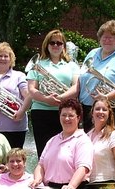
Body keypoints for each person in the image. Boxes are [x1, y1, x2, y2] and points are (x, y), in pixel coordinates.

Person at [26, 29, 81, 157]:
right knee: (44, 151)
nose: (55, 45)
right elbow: (32, 89)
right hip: (41, 112)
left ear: (64, 46)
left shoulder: (71, 65)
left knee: (65, 151)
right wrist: (46, 99)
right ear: (47, 45)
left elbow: (76, 87)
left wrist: (61, 97)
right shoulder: (38, 64)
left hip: (65, 112)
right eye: (52, 43)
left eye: (59, 43)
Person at [79, 20, 115, 132]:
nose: (107, 40)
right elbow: (82, 77)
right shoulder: (92, 53)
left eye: (111, 37)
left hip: (113, 110)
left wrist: (106, 97)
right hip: (88, 108)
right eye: (104, 37)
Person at [33, 98, 92, 189]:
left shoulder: (83, 140)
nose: (67, 118)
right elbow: (41, 165)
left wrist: (71, 186)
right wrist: (37, 179)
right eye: (63, 115)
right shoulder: (52, 140)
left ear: (78, 118)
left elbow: (83, 168)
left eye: (71, 115)